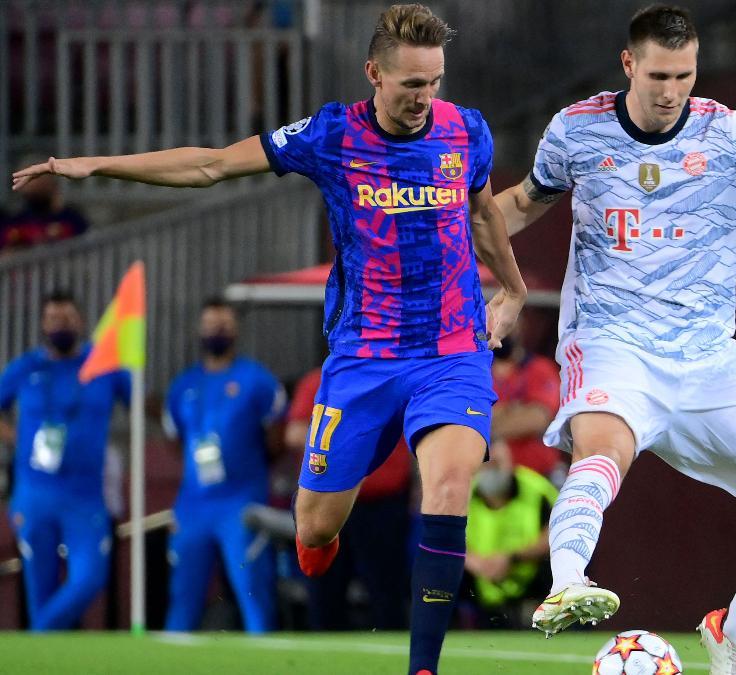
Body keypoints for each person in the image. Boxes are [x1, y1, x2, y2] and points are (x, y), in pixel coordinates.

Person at [12, 5, 527, 671]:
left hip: (451, 348)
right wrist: (96, 165)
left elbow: (484, 211)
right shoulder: (331, 134)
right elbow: (212, 166)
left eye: (434, 83)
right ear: (374, 73)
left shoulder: (466, 132)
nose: (424, 99)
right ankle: (339, 496)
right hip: (362, 357)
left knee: (449, 485)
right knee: (314, 527)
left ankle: (422, 665)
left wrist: (510, 289)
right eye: (410, 85)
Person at [494, 5, 736, 671]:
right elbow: (519, 204)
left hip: (711, 358)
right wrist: (455, 240)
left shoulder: (729, 134)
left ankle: (732, 631)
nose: (669, 90)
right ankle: (568, 578)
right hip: (611, 340)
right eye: (657, 74)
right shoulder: (577, 130)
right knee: (605, 449)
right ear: (629, 64)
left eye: (683, 75)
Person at [0, 290, 130, 630]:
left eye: (68, 318)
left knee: (89, 577)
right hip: (34, 492)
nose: (62, 325)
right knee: (38, 584)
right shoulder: (26, 368)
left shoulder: (104, 367)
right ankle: (43, 652)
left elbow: (142, 401)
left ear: (81, 321)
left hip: (84, 497)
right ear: (43, 324)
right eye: (54, 319)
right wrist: (15, 438)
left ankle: (39, 633)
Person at [161, 299, 287, 633]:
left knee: (253, 592)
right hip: (193, 506)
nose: (218, 330)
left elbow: (275, 439)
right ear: (199, 330)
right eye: (212, 324)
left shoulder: (257, 380)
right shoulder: (183, 386)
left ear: (236, 330)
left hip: (241, 502)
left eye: (225, 324)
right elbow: (175, 440)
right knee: (183, 596)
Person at [283, 363, 412, 631]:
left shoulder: (398, 376)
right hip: (331, 499)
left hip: (384, 503)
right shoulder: (319, 380)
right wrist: (345, 438)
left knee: (387, 591)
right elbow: (294, 434)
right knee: (324, 590)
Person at [462, 437, 557, 628]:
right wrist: (475, 562)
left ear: (510, 462)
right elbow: (444, 536)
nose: (491, 471)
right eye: (486, 465)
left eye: (497, 464)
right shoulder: (463, 493)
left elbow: (558, 531)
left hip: (529, 574)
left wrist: (512, 557)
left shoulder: (536, 489)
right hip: (480, 577)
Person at [490, 335, 563, 478]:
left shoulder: (539, 368)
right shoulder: (475, 370)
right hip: (488, 477)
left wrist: (484, 423)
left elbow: (536, 420)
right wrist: (513, 409)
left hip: (537, 475)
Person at [0, 155, 90, 253]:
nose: (33, 185)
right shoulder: (14, 222)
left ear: (52, 183)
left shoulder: (72, 219)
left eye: (38, 179)